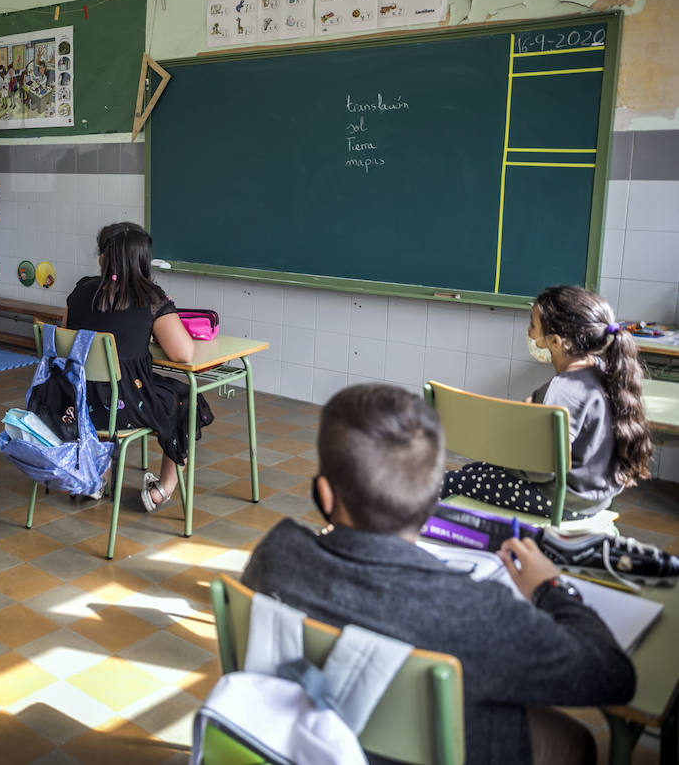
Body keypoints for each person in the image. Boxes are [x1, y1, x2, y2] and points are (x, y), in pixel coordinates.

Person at [243, 383, 635, 765]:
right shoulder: (477, 609)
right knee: (577, 740)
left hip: (306, 741)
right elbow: (613, 675)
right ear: (434, 495)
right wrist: (550, 587)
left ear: (324, 495)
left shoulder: (276, 555)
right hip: (453, 747)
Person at [441, 285, 651, 520]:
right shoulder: (604, 370)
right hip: (594, 496)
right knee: (475, 470)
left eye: (533, 325)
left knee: (452, 481)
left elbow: (537, 470)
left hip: (562, 500)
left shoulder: (561, 391)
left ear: (555, 342)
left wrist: (512, 440)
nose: (530, 334)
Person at [64, 222, 211, 512]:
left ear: (102, 259)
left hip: (76, 402)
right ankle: (162, 490)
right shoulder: (150, 298)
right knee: (187, 398)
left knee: (106, 390)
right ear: (143, 260)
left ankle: (96, 480)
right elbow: (183, 354)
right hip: (126, 405)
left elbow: (66, 338)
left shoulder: (81, 290)